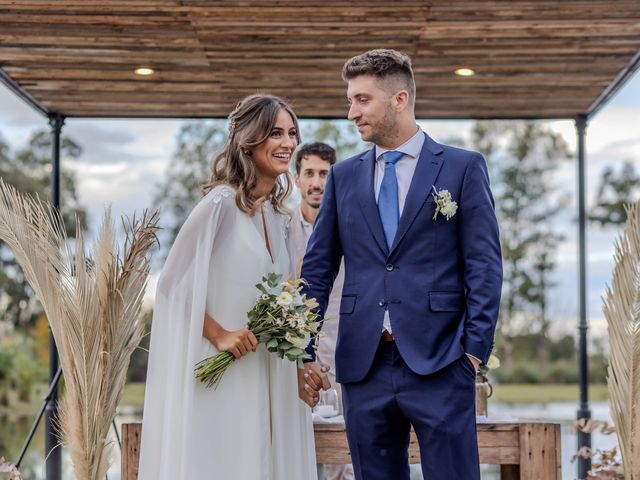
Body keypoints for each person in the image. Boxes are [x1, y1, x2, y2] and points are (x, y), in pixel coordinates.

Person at [301, 49, 503, 480]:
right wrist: (304, 347)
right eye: (350, 100)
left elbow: (484, 265)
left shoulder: (462, 168)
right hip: (363, 365)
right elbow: (318, 268)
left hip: (442, 362)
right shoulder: (344, 176)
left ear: (400, 99)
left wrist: (473, 352)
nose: (351, 112)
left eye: (362, 99)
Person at [138, 94, 327, 480]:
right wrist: (220, 334)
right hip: (228, 377)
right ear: (248, 139)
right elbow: (173, 286)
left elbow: (290, 302)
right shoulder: (220, 205)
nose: (288, 143)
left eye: (292, 133)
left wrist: (302, 367)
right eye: (276, 133)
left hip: (272, 371)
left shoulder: (280, 216)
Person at [290, 142, 355, 480]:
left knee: (344, 458)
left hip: (343, 355)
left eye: (325, 174)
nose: (317, 182)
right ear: (297, 178)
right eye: (310, 173)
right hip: (289, 360)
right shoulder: (279, 228)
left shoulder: (352, 227)